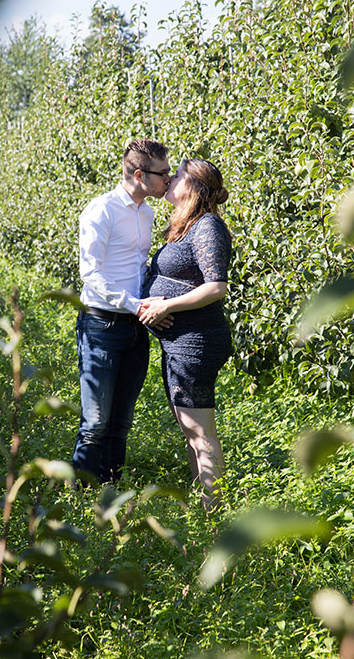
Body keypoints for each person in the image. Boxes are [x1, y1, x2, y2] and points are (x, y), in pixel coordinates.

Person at [73, 138, 172, 484]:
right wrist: (135, 304)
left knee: (121, 422)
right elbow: (91, 273)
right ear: (140, 174)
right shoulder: (101, 210)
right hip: (102, 325)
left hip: (136, 327)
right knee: (95, 422)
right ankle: (81, 496)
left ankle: (109, 490)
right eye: (163, 173)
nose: (169, 180)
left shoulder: (147, 212)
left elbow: (139, 267)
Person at [139, 157, 232, 508]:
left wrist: (167, 306)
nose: (168, 180)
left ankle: (215, 510)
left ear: (191, 186)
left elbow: (216, 287)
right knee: (191, 432)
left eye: (175, 175)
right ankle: (206, 505)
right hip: (180, 343)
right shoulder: (187, 225)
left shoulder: (207, 226)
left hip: (197, 342)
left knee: (201, 433)